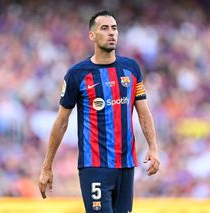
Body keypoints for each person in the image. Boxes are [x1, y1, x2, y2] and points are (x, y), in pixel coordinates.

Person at [38, 9, 160, 213]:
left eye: (114, 28)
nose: (111, 32)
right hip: (94, 166)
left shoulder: (131, 69)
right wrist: (47, 166)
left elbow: (143, 112)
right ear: (92, 35)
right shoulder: (77, 74)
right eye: (105, 28)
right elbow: (61, 122)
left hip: (126, 165)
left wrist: (153, 147)